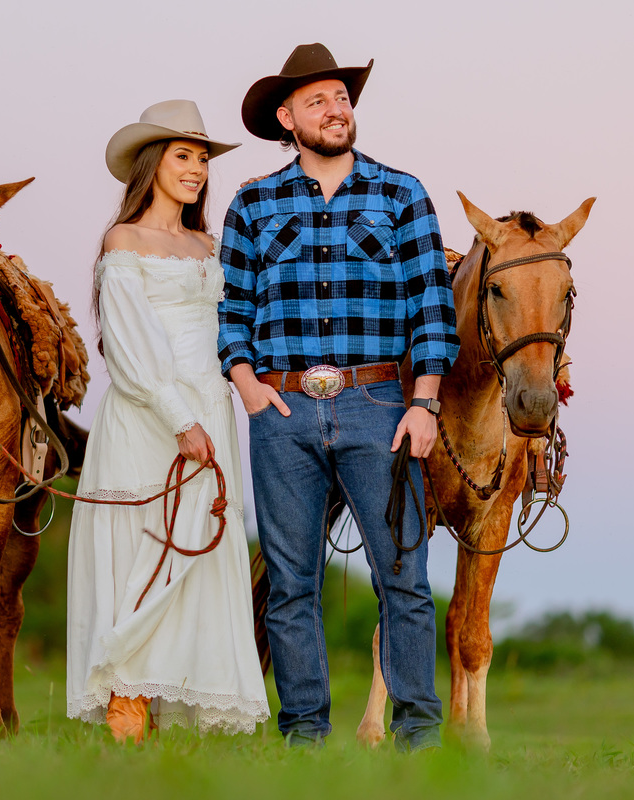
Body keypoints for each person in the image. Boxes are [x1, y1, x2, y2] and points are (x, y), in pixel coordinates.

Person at [218, 44, 459, 751]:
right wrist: (246, 384)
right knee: (291, 585)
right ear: (287, 118)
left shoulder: (401, 195)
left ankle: (419, 740)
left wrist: (424, 402)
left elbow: (433, 307)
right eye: (318, 101)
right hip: (282, 410)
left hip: (378, 404)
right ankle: (305, 741)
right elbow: (232, 309)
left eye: (342, 99)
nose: (335, 111)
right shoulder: (253, 203)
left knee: (403, 577)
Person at [67, 99, 270, 744]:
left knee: (198, 550)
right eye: (183, 156)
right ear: (151, 163)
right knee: (144, 547)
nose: (196, 170)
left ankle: (170, 702)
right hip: (150, 414)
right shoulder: (123, 241)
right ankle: (126, 704)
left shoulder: (209, 246)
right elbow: (129, 344)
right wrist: (179, 418)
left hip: (210, 406)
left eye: (203, 159)